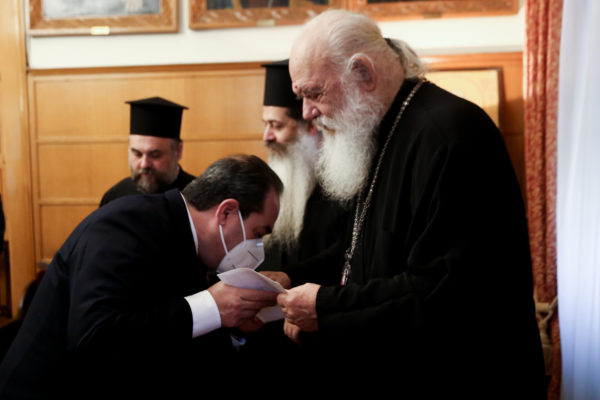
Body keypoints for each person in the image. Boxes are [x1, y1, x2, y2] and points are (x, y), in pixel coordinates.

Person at [275, 9, 546, 397]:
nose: (307, 113)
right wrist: (290, 278)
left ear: (363, 73)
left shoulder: (451, 134)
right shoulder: (372, 129)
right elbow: (357, 252)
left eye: (314, 93)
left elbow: (444, 291)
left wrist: (326, 307)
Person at [0, 154, 283, 399]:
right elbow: (95, 338)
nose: (257, 247)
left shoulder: (188, 241)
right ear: (227, 213)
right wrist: (212, 307)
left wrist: (233, 325)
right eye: (258, 233)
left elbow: (165, 332)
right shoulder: (126, 224)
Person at [240, 60, 348, 358]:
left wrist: (291, 277)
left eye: (276, 126)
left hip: (319, 332)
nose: (266, 137)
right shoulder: (266, 185)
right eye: (266, 124)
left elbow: (344, 257)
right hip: (265, 334)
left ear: (310, 127)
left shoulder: (342, 187)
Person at [99, 96, 195, 206]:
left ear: (178, 151)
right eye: (137, 154)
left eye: (155, 155)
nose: (144, 164)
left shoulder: (201, 198)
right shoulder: (115, 196)